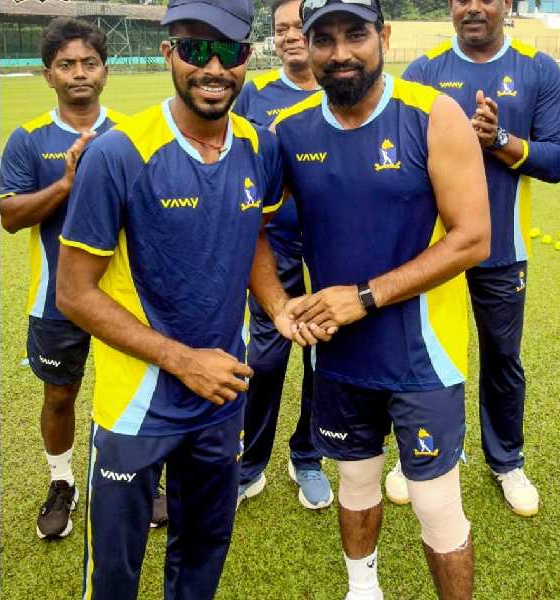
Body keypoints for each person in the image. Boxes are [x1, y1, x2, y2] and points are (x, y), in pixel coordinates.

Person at [55, 1, 312, 597]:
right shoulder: (117, 155)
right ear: (169, 53)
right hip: (138, 407)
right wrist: (181, 360)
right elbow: (74, 292)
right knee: (115, 574)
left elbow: (254, 238)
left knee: (201, 555)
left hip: (221, 396)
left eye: (230, 51)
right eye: (196, 49)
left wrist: (276, 305)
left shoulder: (257, 146)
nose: (214, 67)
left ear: (249, 60)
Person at [270, 1, 490, 598]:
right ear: (306, 46)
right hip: (338, 357)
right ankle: (361, 588)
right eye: (324, 39)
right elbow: (253, 225)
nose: (340, 52)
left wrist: (363, 298)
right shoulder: (288, 133)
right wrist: (276, 305)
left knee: (436, 503)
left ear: (383, 37)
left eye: (355, 35)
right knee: (357, 484)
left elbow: (471, 238)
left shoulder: (432, 116)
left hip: (423, 358)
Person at [391, 0, 560, 516]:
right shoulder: (425, 71)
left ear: (506, 5)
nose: (472, 6)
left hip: (501, 251)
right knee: (423, 357)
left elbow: (558, 159)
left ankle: (507, 460)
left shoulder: (538, 68)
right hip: (435, 250)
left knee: (501, 359)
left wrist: (498, 139)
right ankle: (415, 454)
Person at [0, 17, 167, 540]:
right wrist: (71, 182)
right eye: (66, 65)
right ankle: (62, 482)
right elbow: (10, 215)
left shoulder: (132, 135)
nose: (79, 73)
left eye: (89, 63)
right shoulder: (28, 140)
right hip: (56, 301)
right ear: (48, 74)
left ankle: (146, 478)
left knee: (140, 393)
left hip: (124, 298)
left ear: (105, 71)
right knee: (59, 396)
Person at [231, 0, 333, 511]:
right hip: (275, 248)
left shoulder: (342, 90)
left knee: (322, 357)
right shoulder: (255, 94)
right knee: (267, 361)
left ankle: (307, 456)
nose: (292, 36)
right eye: (282, 29)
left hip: (335, 248)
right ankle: (249, 464)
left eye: (301, 26)